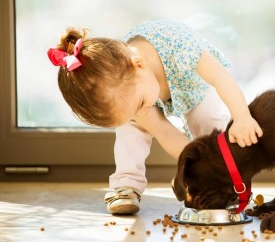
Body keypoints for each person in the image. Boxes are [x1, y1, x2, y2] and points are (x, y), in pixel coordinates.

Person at [47, 19, 263, 215]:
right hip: (142, 88)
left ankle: (222, 183)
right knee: (130, 130)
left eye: (139, 105)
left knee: (208, 120)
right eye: (131, 112)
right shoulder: (131, 92)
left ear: (139, 65)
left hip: (193, 84)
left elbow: (220, 77)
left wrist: (242, 115)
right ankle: (126, 184)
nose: (140, 113)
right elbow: (164, 131)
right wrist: (188, 170)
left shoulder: (181, 51)